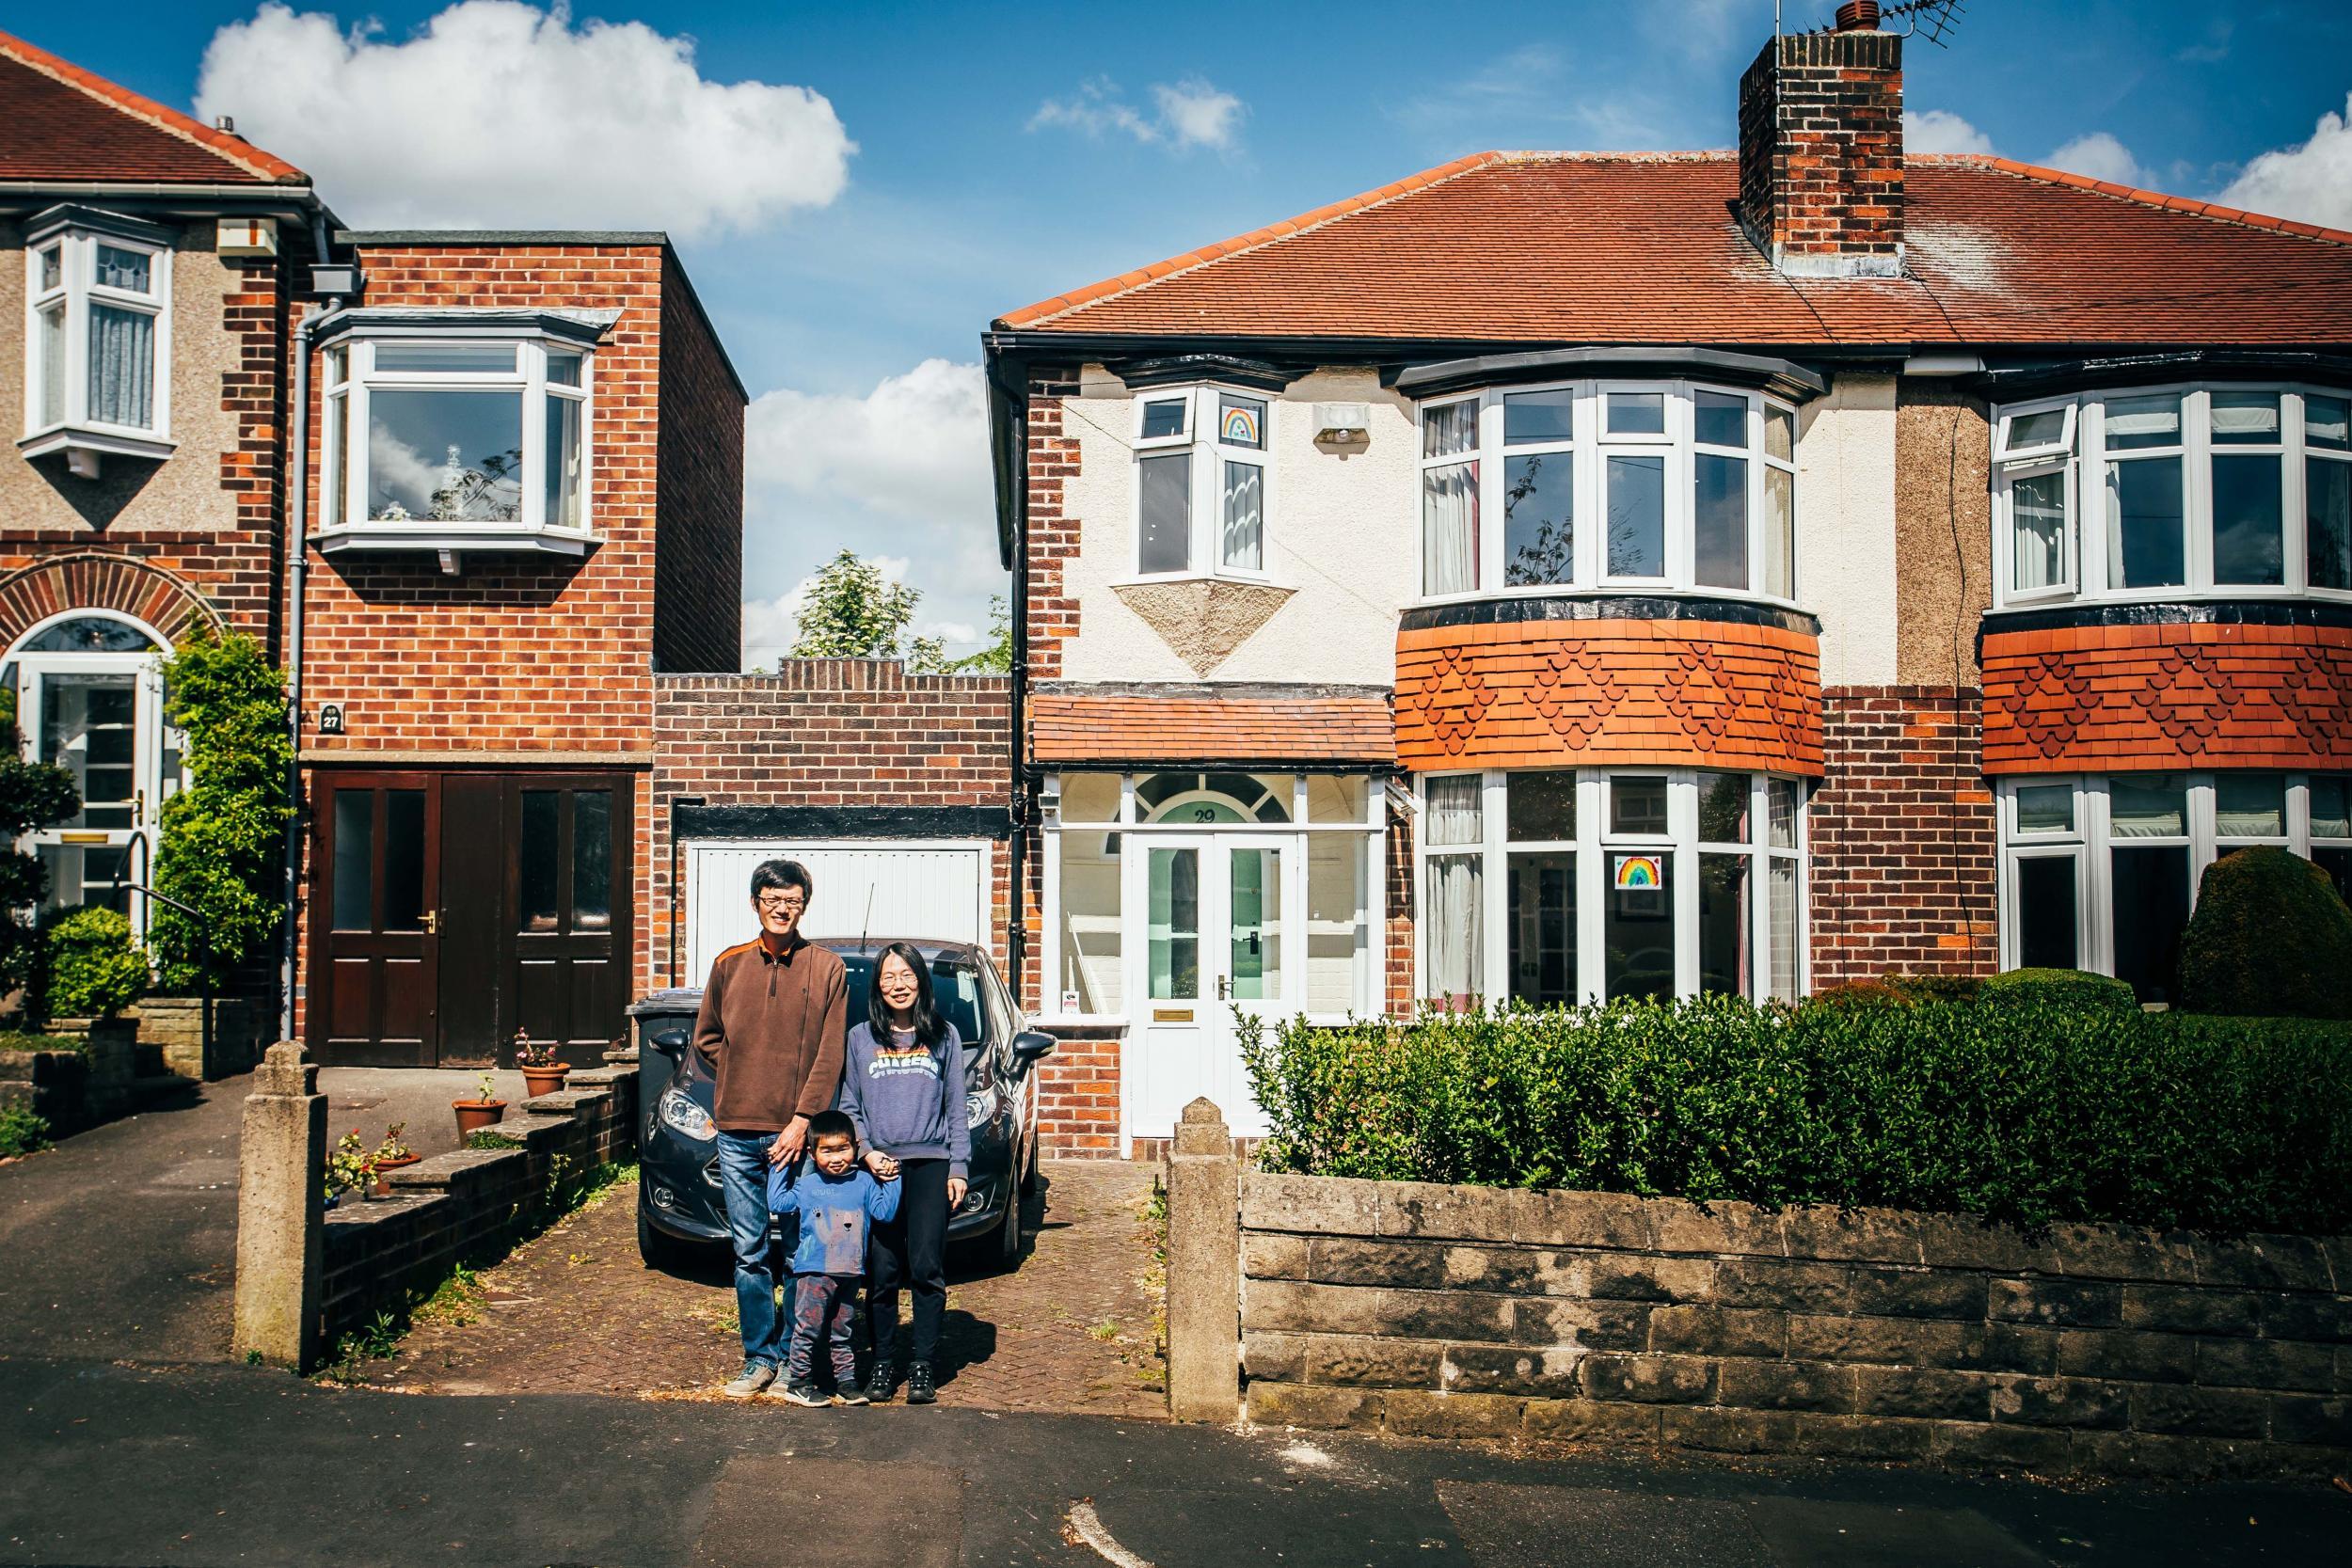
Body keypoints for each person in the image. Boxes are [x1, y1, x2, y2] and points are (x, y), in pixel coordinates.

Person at [691, 859, 848, 1399]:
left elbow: (832, 1053)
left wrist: (803, 1120)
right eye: (773, 898)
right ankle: (758, 1357)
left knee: (800, 1251)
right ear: (756, 902)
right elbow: (706, 1039)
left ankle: (793, 1360)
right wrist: (739, 1081)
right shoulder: (728, 964)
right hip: (736, 1132)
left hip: (795, 1138)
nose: (783, 908)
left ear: (805, 905)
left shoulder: (826, 967)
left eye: (794, 901)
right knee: (750, 1251)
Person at [835, 941, 969, 1406]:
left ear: (921, 982)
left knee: (927, 1268)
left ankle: (923, 1367)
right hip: (881, 1170)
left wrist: (958, 1167)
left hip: (931, 1165)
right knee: (882, 1271)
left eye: (908, 976)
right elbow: (849, 1105)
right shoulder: (859, 1038)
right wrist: (866, 1154)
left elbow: (957, 1108)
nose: (899, 985)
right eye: (890, 976)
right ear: (877, 985)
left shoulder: (944, 1036)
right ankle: (884, 1363)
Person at [768, 1109, 900, 1407]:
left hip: (850, 1273)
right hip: (814, 1273)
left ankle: (846, 1383)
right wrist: (778, 1165)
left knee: (843, 1332)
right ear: (813, 1154)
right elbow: (777, 1202)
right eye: (827, 1151)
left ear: (855, 1147)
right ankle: (798, 1382)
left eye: (843, 1148)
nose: (836, 1157)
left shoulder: (865, 1183)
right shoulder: (807, 1186)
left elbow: (885, 1212)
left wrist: (893, 1176)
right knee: (807, 1330)